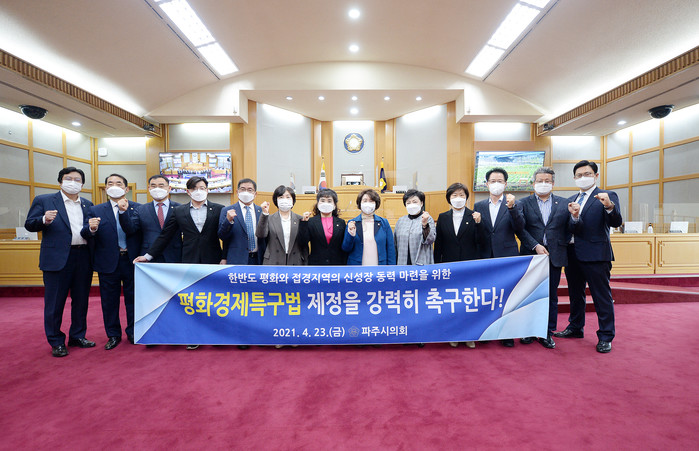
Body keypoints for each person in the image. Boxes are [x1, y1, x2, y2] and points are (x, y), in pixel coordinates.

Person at [134, 176, 226, 350]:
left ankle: (215, 333)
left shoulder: (220, 209)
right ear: (188, 192)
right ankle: (194, 335)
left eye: (202, 188)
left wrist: (225, 257)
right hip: (189, 259)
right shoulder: (179, 211)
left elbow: (226, 235)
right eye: (194, 188)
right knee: (193, 298)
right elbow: (165, 236)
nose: (198, 191)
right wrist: (148, 256)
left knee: (214, 297)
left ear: (207, 190)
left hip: (213, 259)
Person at [25, 167, 95, 357]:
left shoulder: (88, 204)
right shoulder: (44, 200)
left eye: (77, 179)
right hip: (57, 259)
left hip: (83, 257)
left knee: (81, 301)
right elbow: (29, 224)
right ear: (60, 181)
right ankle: (56, 341)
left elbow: (87, 231)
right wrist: (44, 220)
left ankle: (78, 336)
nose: (73, 182)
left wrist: (93, 229)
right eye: (68, 178)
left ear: (82, 184)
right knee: (55, 303)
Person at [554, 160, 622, 353]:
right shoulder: (572, 199)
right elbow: (571, 227)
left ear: (596, 176)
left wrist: (609, 207)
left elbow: (616, 221)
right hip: (573, 254)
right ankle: (576, 327)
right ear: (574, 178)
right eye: (579, 175)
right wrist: (574, 217)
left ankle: (606, 336)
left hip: (596, 255)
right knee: (575, 294)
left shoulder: (607, 196)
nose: (583, 178)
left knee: (601, 296)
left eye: (587, 174)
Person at [82, 174, 141, 350]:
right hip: (107, 261)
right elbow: (84, 232)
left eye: (119, 183)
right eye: (110, 183)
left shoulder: (137, 208)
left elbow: (135, 231)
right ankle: (113, 335)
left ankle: (133, 332)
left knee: (133, 299)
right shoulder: (96, 210)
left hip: (131, 260)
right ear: (106, 188)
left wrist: (123, 212)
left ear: (126, 189)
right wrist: (92, 228)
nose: (114, 186)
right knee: (109, 301)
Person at [513, 167, 570, 349]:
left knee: (551, 295)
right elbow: (520, 229)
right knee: (528, 294)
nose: (543, 184)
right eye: (539, 181)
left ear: (553, 183)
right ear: (533, 183)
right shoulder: (523, 203)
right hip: (531, 255)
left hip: (554, 256)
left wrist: (575, 218)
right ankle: (528, 330)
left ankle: (547, 332)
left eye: (547, 181)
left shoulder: (564, 203)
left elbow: (570, 228)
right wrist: (535, 245)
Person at [474, 167, 525, 347]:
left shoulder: (515, 204)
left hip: (507, 256)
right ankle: (487, 331)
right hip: (486, 256)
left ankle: (507, 333)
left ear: (505, 184)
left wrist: (512, 208)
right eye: (493, 181)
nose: (496, 184)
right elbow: (479, 233)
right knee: (487, 295)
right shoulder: (479, 206)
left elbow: (519, 227)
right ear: (487, 184)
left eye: (500, 181)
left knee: (507, 295)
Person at [433, 182, 482, 349]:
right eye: (454, 195)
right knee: (452, 302)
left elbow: (481, 242)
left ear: (467, 198)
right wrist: (437, 266)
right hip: (449, 266)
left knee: (468, 302)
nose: (458, 198)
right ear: (449, 198)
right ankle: (454, 334)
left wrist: (479, 224)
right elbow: (439, 244)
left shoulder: (475, 216)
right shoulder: (443, 217)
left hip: (469, 267)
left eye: (461, 195)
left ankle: (469, 335)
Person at [120, 174, 182, 263]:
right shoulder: (141, 209)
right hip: (147, 255)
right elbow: (130, 229)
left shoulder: (179, 208)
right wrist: (123, 212)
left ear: (169, 188)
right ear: (149, 188)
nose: (157, 189)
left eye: (161, 186)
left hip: (174, 254)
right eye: (153, 186)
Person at [218, 178, 266, 266]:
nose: (246, 192)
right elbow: (222, 236)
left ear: (255, 194)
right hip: (237, 259)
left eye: (250, 190)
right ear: (237, 192)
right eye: (243, 189)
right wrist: (228, 221)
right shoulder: (227, 210)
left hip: (258, 259)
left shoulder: (261, 211)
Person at [256, 185, 308, 265]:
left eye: (288, 197)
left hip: (294, 261)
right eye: (281, 197)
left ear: (293, 200)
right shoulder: (269, 218)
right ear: (276, 200)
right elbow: (260, 235)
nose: (284, 200)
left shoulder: (300, 219)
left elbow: (304, 243)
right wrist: (264, 214)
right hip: (273, 261)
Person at [342, 189, 396, 266]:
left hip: (380, 267)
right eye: (365, 201)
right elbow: (346, 248)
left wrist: (391, 268)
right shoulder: (352, 223)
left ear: (376, 204)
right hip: (357, 267)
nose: (368, 204)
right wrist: (351, 235)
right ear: (360, 203)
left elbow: (390, 249)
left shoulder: (384, 223)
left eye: (371, 201)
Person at [297, 189, 347, 265]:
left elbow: (344, 246)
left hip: (337, 264)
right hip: (316, 265)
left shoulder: (341, 223)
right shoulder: (311, 222)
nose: (326, 203)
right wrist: (304, 223)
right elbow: (302, 242)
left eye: (329, 201)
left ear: (334, 205)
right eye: (322, 201)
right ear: (318, 204)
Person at [394, 189, 435, 265]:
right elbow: (395, 243)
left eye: (415, 202)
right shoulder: (400, 221)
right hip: (403, 263)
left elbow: (430, 240)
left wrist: (425, 225)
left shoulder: (428, 218)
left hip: (422, 263)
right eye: (408, 203)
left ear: (421, 203)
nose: (411, 205)